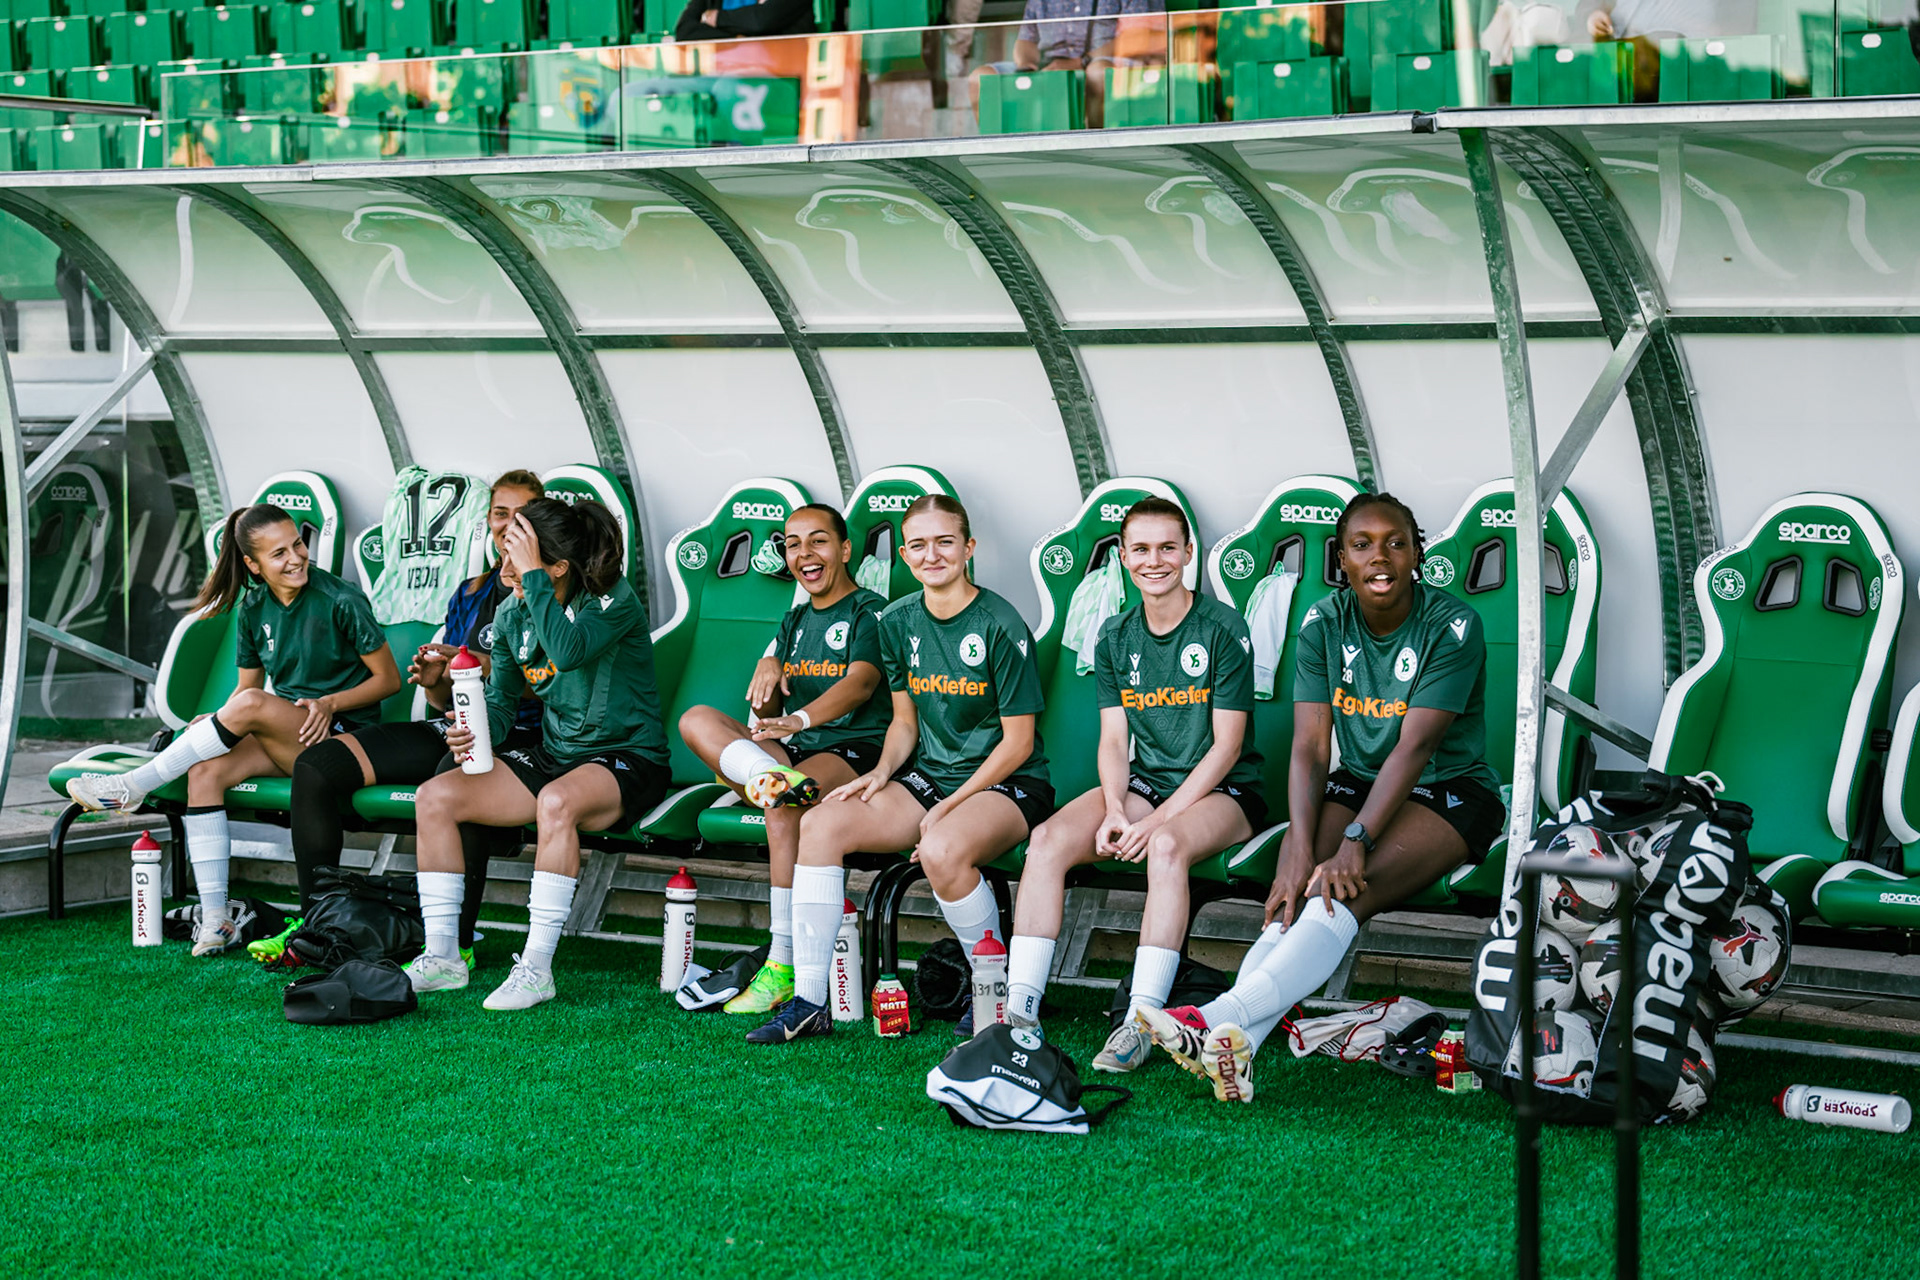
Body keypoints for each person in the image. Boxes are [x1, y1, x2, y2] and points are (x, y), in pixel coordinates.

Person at [1136, 492, 1504, 1103]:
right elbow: (1310, 745)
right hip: (1357, 780)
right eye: (1362, 545)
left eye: (1395, 542)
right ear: (1342, 558)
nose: (1379, 557)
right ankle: (1238, 1043)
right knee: (1297, 889)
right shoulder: (1323, 621)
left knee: (1336, 893)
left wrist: (1354, 841)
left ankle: (1213, 1017)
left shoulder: (1453, 623)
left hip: (1448, 790)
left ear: (1418, 552)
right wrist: (1298, 846)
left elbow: (1414, 747)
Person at [746, 494, 1053, 1045]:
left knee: (940, 848)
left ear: (968, 548)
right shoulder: (897, 621)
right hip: (929, 778)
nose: (931, 555)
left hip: (1008, 782)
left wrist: (948, 808)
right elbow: (905, 723)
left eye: (944, 542)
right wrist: (883, 771)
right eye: (918, 545)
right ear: (904, 557)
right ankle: (811, 1000)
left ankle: (994, 988)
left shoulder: (1001, 624)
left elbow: (1019, 743)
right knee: (818, 823)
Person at [66, 504, 400, 956]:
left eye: (298, 545)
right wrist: (223, 720)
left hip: (342, 739)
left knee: (249, 707)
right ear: (252, 564)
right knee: (206, 773)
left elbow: (388, 681)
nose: (296, 558)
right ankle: (218, 918)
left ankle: (135, 785)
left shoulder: (341, 598)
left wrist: (329, 702)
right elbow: (248, 691)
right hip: (290, 736)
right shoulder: (253, 607)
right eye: (278, 553)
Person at [247, 471, 547, 967]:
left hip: (522, 736)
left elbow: (554, 679)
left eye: (522, 515)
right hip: (456, 726)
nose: (508, 525)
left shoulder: (549, 590)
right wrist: (434, 679)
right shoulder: (470, 593)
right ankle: (316, 922)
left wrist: (480, 665)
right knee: (318, 767)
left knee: (457, 784)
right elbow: (441, 704)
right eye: (499, 513)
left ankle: (457, 944)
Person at [1005, 497, 1264, 1070]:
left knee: (1166, 849)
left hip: (1226, 791)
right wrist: (1119, 811)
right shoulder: (1116, 634)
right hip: (1146, 785)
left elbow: (1227, 748)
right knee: (1046, 841)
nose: (1155, 561)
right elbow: (1115, 742)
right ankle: (1019, 1012)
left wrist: (1154, 821)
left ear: (1188, 553)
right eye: (1141, 549)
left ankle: (1139, 1023)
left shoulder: (1221, 626)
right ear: (1122, 556)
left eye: (1167, 548)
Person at [405, 497, 670, 1010]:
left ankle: (536, 970)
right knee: (434, 796)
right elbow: (502, 709)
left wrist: (534, 584)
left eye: (519, 558)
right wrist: (469, 728)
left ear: (558, 568)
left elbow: (568, 651)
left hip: (629, 758)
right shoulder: (511, 612)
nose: (505, 568)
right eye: (504, 552)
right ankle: (443, 957)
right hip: (558, 755)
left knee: (555, 802)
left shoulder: (612, 600)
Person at [676, 504, 892, 1015]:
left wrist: (799, 721)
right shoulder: (794, 619)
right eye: (792, 544)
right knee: (697, 719)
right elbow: (769, 711)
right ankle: (759, 775)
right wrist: (769, 672)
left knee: (782, 802)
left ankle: (782, 960)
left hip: (851, 749)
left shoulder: (870, 610)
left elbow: (861, 683)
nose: (803, 554)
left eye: (817, 542)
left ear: (844, 550)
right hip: (792, 750)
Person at [673, 0, 814, 41]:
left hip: (784, 77)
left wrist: (718, 18)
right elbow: (684, 31)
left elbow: (761, 21)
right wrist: (736, 38)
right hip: (724, 78)